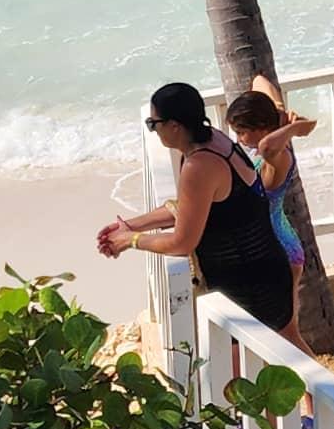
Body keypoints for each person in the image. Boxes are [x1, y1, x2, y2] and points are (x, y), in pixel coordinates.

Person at [100, 76, 314, 343]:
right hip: (265, 270)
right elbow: (189, 209)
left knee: (247, 371)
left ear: (175, 126)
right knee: (292, 357)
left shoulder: (199, 166)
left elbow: (182, 241)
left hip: (249, 285)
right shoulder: (216, 141)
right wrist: (133, 225)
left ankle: (330, 388)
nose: (153, 131)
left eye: (153, 124)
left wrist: (130, 241)